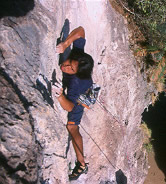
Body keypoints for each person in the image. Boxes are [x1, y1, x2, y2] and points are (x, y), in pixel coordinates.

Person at [53, 26, 94, 180]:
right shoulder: (79, 57)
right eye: (70, 62)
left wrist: (60, 96)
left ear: (77, 73)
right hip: (85, 83)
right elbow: (82, 30)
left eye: (71, 69)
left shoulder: (76, 84)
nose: (66, 67)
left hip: (80, 94)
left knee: (72, 126)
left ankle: (82, 164)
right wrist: (65, 44)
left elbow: (70, 106)